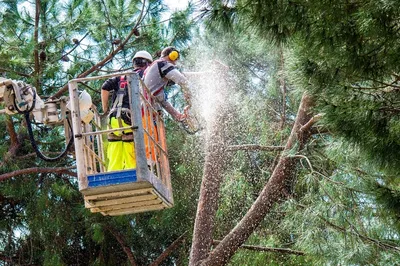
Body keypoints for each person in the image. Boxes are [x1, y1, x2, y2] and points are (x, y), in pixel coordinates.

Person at [101, 50, 153, 171]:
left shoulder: (122, 76)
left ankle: (113, 174)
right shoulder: (145, 75)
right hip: (129, 118)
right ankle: (134, 173)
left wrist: (105, 109)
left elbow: (104, 87)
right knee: (130, 149)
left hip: (113, 118)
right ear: (147, 64)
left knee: (114, 147)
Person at [143, 46, 190, 122]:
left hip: (146, 110)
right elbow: (182, 80)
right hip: (149, 111)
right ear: (172, 55)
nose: (175, 63)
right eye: (176, 60)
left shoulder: (154, 67)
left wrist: (177, 115)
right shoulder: (163, 64)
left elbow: (161, 99)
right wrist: (189, 93)